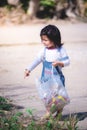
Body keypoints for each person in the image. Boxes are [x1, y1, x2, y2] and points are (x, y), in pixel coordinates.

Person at [24, 24, 70, 118]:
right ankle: (48, 112)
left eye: (45, 40)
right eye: (42, 40)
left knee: (59, 97)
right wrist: (28, 69)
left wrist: (59, 63)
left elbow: (67, 61)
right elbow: (37, 60)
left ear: (55, 39)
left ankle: (59, 112)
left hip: (57, 80)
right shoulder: (44, 51)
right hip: (46, 78)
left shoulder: (60, 50)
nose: (43, 42)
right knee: (47, 97)